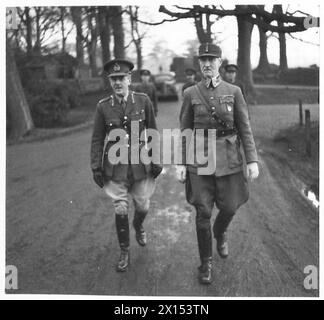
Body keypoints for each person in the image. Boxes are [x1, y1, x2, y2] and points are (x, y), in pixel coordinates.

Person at [177, 43, 259, 284]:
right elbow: (185, 129)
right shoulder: (190, 93)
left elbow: (245, 127)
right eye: (203, 60)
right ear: (199, 63)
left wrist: (252, 159)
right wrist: (181, 162)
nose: (207, 64)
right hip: (200, 160)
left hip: (228, 158)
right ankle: (206, 263)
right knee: (202, 212)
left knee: (230, 207)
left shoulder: (234, 91)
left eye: (212, 59)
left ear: (220, 62)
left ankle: (221, 231)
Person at [90, 59, 162, 272]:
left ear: (129, 79)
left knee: (143, 205)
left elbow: (153, 132)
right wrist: (96, 167)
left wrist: (156, 159)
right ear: (110, 81)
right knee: (120, 207)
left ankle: (138, 225)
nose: (118, 82)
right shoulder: (103, 107)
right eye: (114, 79)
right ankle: (124, 251)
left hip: (140, 165)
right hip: (115, 167)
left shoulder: (143, 101)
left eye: (121, 78)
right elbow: (97, 139)